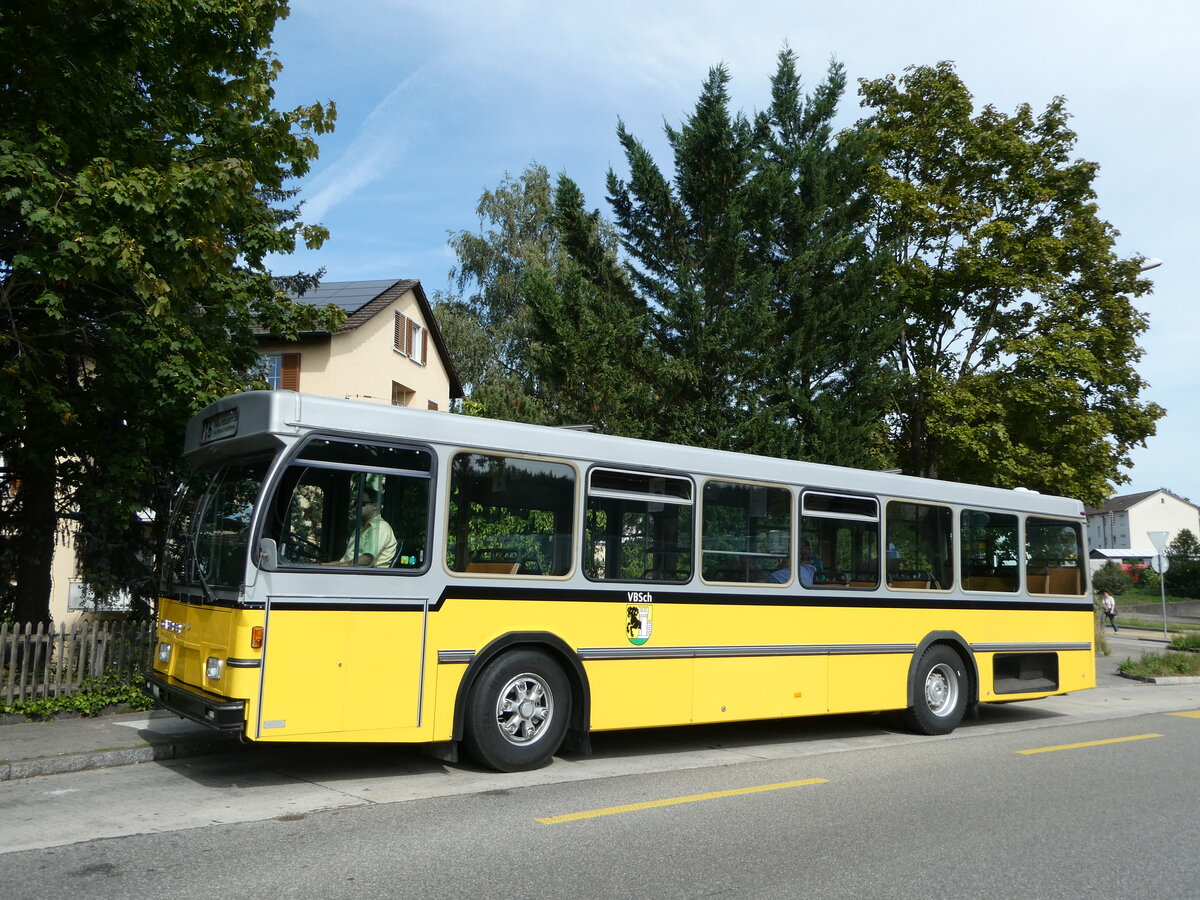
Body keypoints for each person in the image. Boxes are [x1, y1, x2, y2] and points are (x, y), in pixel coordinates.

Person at [324, 487, 397, 568]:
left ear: (375, 506)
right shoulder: (360, 528)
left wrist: (338, 567)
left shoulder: (381, 528)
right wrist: (322, 566)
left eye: (362, 503)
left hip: (370, 576)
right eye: (356, 503)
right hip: (353, 573)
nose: (357, 506)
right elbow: (345, 561)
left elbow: (366, 560)